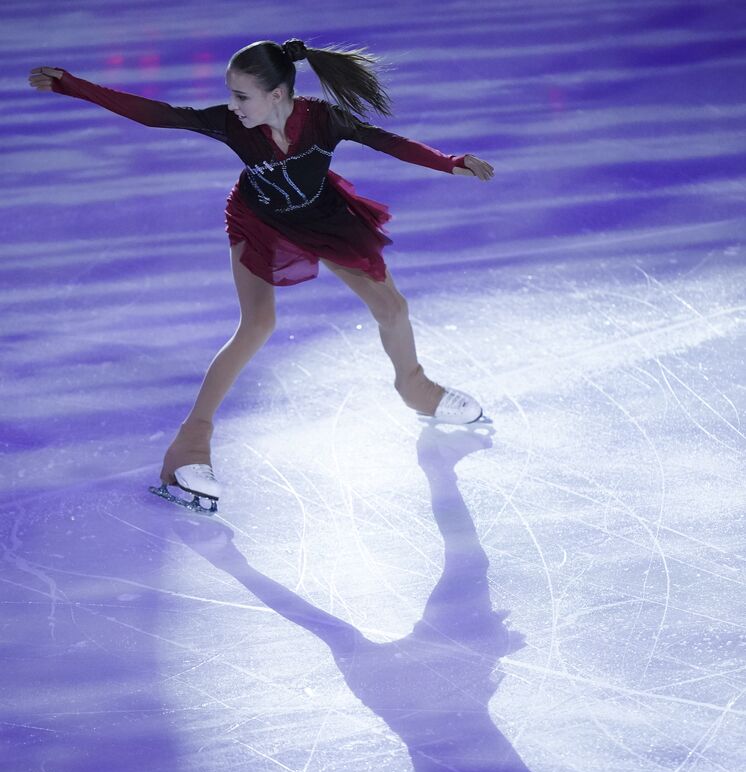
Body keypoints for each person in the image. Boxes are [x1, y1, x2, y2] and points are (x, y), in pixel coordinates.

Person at [29, 39, 494, 512]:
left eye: (242, 96)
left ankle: (414, 385)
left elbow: (384, 140)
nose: (233, 106)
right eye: (230, 95)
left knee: (392, 307)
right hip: (259, 219)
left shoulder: (323, 119)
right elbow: (158, 114)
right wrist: (75, 86)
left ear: (277, 94)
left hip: (322, 216)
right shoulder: (234, 126)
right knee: (257, 325)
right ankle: (190, 445)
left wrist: (449, 162)